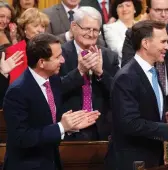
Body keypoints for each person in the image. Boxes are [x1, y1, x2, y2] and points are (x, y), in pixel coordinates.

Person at [2, 33, 101, 170]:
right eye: (57, 57)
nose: (63, 60)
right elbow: (21, 137)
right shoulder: (17, 91)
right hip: (26, 165)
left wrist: (71, 126)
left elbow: (49, 119)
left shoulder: (53, 80)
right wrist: (61, 127)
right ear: (41, 62)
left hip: (51, 161)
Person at [105, 20, 168, 170]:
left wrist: (164, 119)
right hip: (131, 162)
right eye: (163, 42)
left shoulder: (153, 72)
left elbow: (146, 112)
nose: (167, 47)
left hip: (152, 158)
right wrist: (166, 129)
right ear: (146, 43)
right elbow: (129, 123)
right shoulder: (126, 77)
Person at [59, 6, 119, 141]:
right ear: (74, 26)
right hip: (71, 128)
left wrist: (100, 73)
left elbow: (119, 93)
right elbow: (54, 90)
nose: (91, 34)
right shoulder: (59, 55)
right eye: (87, 29)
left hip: (103, 129)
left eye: (95, 30)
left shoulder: (109, 57)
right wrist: (79, 72)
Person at [122, 0, 168, 111]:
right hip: (145, 98)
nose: (164, 15)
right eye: (158, 10)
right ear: (148, 10)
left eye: (167, 10)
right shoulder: (135, 33)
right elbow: (127, 65)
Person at [5, 8, 49, 84]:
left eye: (43, 26)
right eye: (35, 26)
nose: (40, 30)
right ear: (25, 28)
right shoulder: (15, 50)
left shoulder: (49, 48)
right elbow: (15, 83)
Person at [103, 0, 142, 65]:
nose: (124, 9)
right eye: (120, 6)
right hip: (124, 68)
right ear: (116, 11)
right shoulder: (109, 28)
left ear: (135, 9)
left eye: (128, 5)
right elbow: (121, 51)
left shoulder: (141, 26)